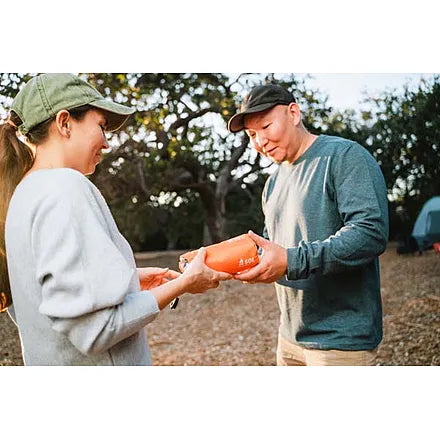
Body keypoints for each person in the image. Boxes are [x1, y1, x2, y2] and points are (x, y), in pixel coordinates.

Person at [0, 73, 231, 366]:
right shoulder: (65, 188)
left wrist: (128, 280)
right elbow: (96, 332)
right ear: (64, 122)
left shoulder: (21, 197)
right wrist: (185, 284)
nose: (107, 143)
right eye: (101, 126)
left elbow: (54, 299)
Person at [228, 84, 389, 366]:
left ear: (293, 113)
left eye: (266, 126)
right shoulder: (272, 184)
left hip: (340, 341)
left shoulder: (344, 156)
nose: (261, 141)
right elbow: (273, 249)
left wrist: (292, 260)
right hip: (289, 338)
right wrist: (231, 265)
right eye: (253, 134)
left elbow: (369, 233)